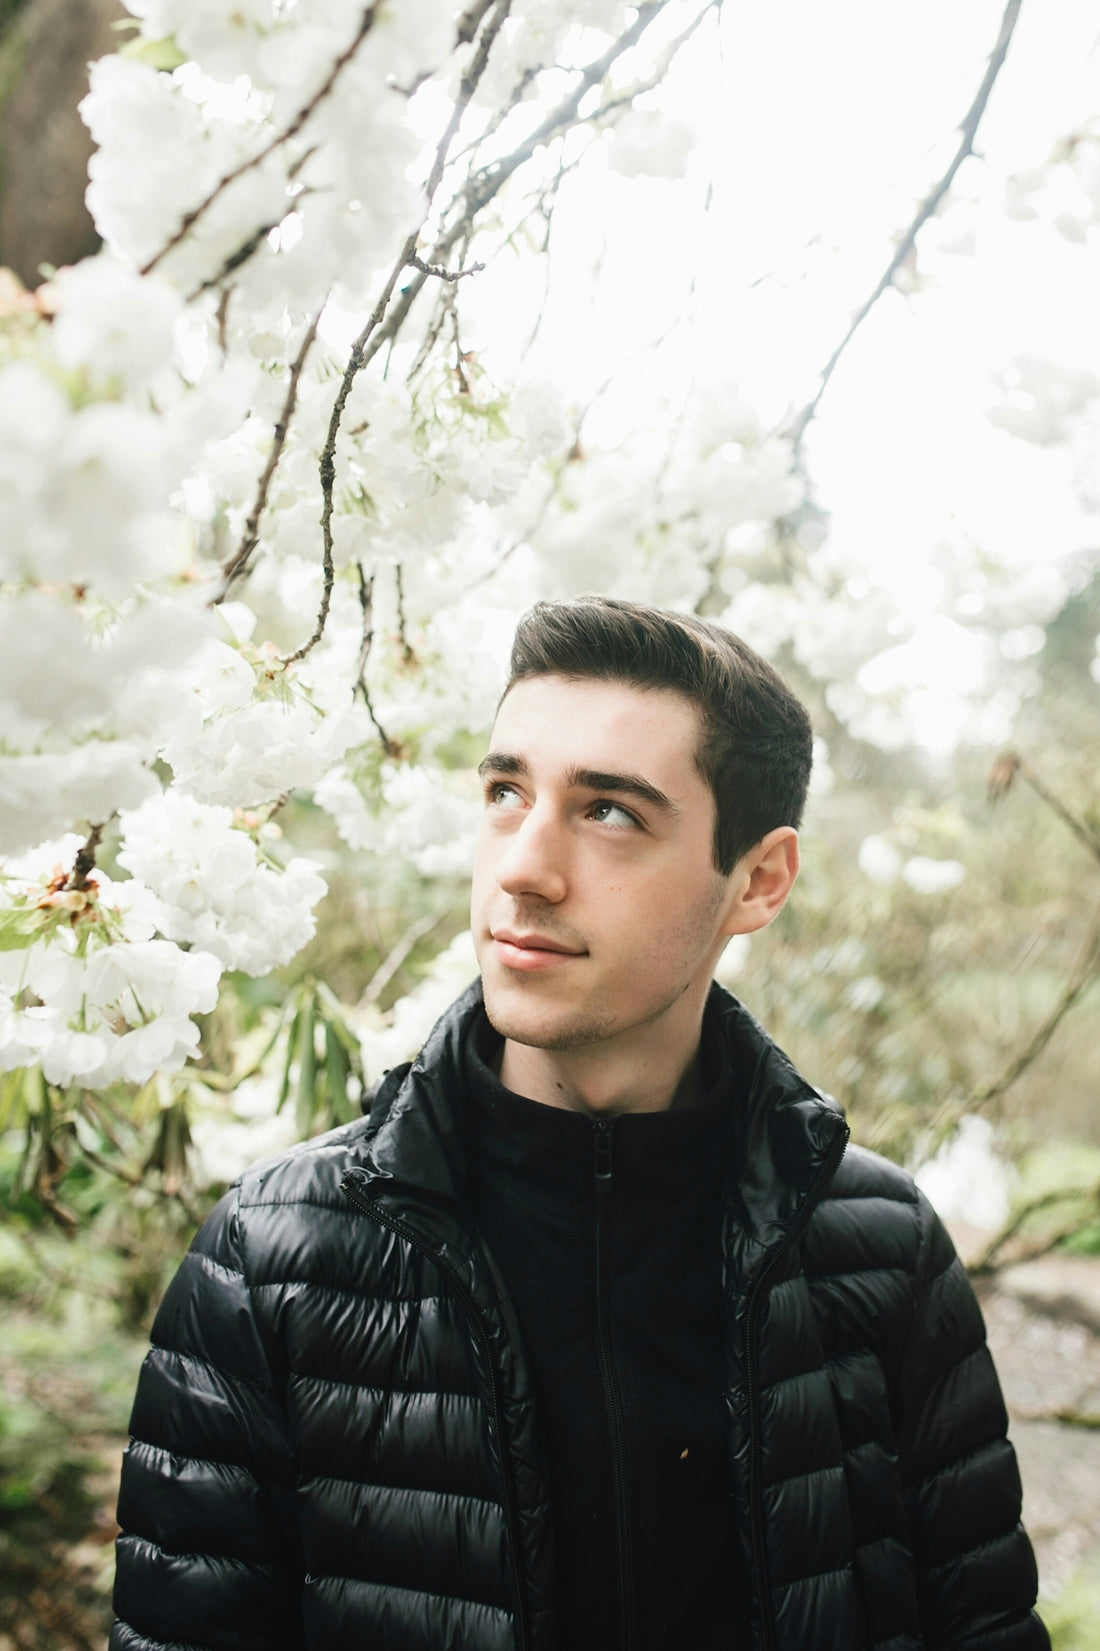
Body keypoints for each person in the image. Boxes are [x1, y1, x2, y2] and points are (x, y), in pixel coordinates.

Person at [110, 596, 1048, 1651]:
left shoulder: (878, 1248)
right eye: (506, 792)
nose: (522, 867)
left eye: (608, 812)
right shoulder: (271, 1259)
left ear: (757, 880)